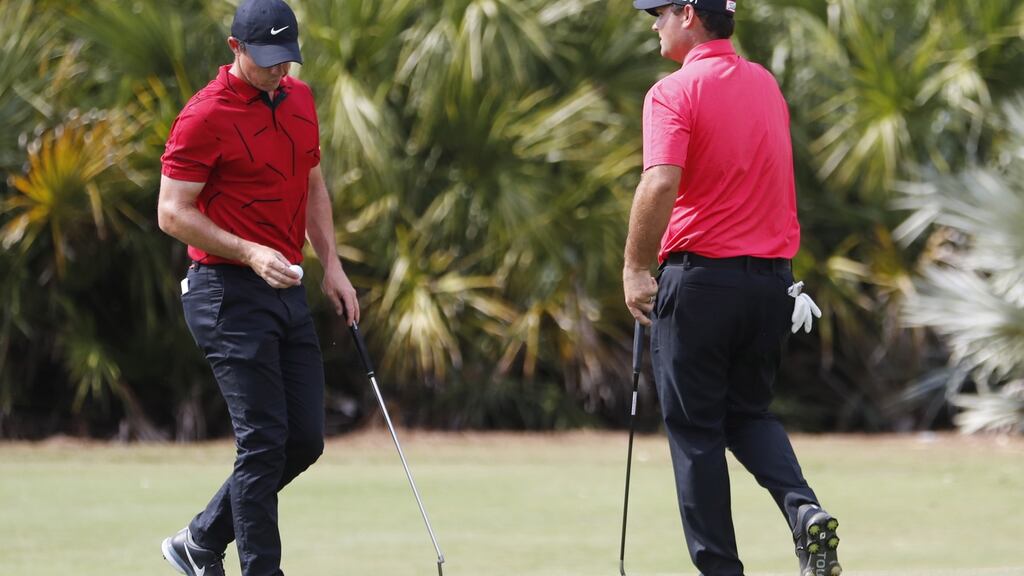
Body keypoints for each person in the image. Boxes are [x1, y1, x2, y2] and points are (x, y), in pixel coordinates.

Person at [621, 1, 840, 576]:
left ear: (690, 14)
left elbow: (660, 182)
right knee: (749, 414)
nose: (655, 23)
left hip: (700, 285)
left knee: (695, 431)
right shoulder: (765, 84)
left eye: (661, 12)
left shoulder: (672, 91)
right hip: (770, 286)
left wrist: (635, 267)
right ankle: (803, 508)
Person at [156, 1, 360, 575]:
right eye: (267, 59)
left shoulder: (300, 99)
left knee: (304, 441)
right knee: (265, 442)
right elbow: (172, 212)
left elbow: (312, 184)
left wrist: (333, 266)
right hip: (224, 292)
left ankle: (198, 542)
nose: (278, 70)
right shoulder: (204, 115)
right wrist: (248, 250)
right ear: (235, 48)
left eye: (286, 58)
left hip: (286, 287)